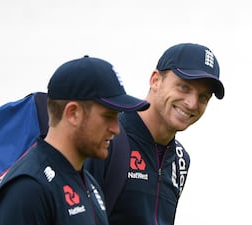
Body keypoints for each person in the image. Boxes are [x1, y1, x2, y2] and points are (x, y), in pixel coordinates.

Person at [0, 55, 149, 225]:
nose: (116, 129)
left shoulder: (88, 182)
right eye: (108, 116)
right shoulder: (29, 188)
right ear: (73, 113)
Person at [85, 43, 225, 225]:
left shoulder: (180, 160)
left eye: (203, 97)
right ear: (155, 80)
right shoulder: (108, 137)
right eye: (184, 87)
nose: (192, 103)